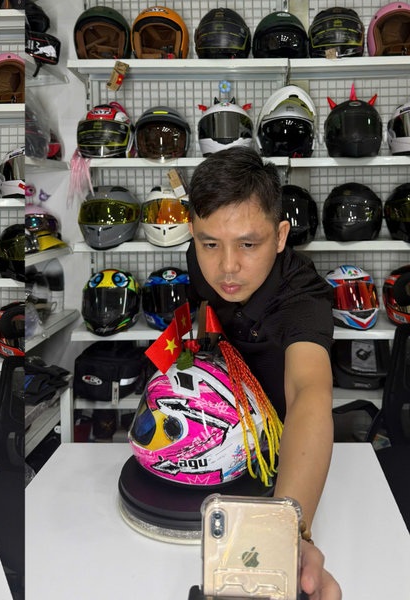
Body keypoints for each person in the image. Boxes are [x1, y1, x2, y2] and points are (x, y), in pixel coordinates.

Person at [187, 147, 341, 600]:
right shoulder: (202, 259)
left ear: (280, 236)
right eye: (209, 244)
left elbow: (309, 392)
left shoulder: (304, 298)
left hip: (281, 461)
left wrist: (288, 532)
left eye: (248, 244)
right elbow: (201, 312)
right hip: (218, 445)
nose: (227, 267)